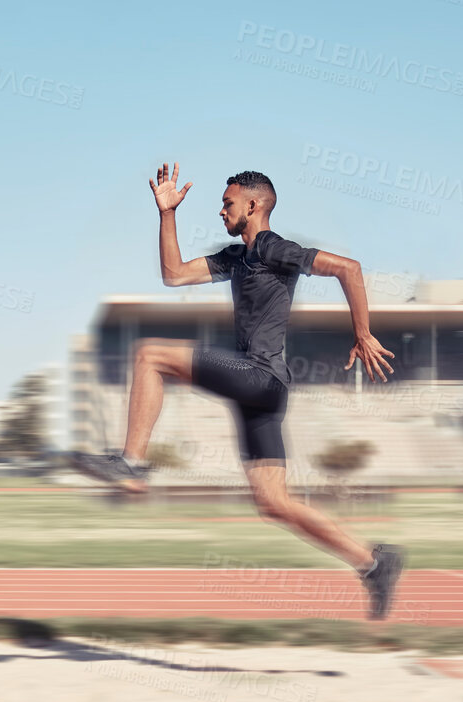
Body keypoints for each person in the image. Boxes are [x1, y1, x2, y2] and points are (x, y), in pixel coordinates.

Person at [68, 164, 406, 619]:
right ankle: (373, 563)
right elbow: (173, 275)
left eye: (228, 203)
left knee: (149, 354)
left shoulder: (272, 248)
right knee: (274, 503)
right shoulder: (236, 257)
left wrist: (362, 333)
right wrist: (167, 214)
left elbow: (349, 268)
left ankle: (131, 463)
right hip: (262, 393)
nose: (221, 209)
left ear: (253, 205)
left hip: (260, 377)